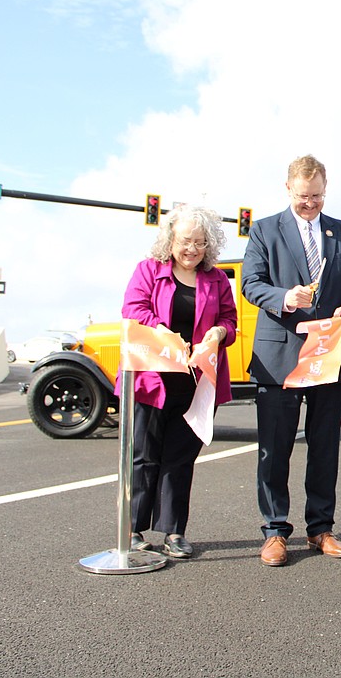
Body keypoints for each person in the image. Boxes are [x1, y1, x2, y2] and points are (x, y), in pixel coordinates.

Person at [241, 155, 341, 567]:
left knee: (325, 447)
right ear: (288, 189)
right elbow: (250, 283)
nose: (309, 204)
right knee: (275, 448)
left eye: (316, 196)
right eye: (302, 197)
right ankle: (275, 532)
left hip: (329, 355)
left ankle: (321, 529)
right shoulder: (264, 230)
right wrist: (283, 298)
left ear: (325, 190)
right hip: (280, 354)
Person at [120, 204, 238, 559]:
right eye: (186, 241)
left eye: (200, 243)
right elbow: (132, 309)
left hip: (197, 379)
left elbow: (230, 321)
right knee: (144, 455)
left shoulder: (216, 278)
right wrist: (160, 328)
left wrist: (218, 332)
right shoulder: (149, 270)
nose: (192, 249)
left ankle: (174, 531)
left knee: (180, 458)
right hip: (152, 378)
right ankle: (135, 528)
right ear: (171, 240)